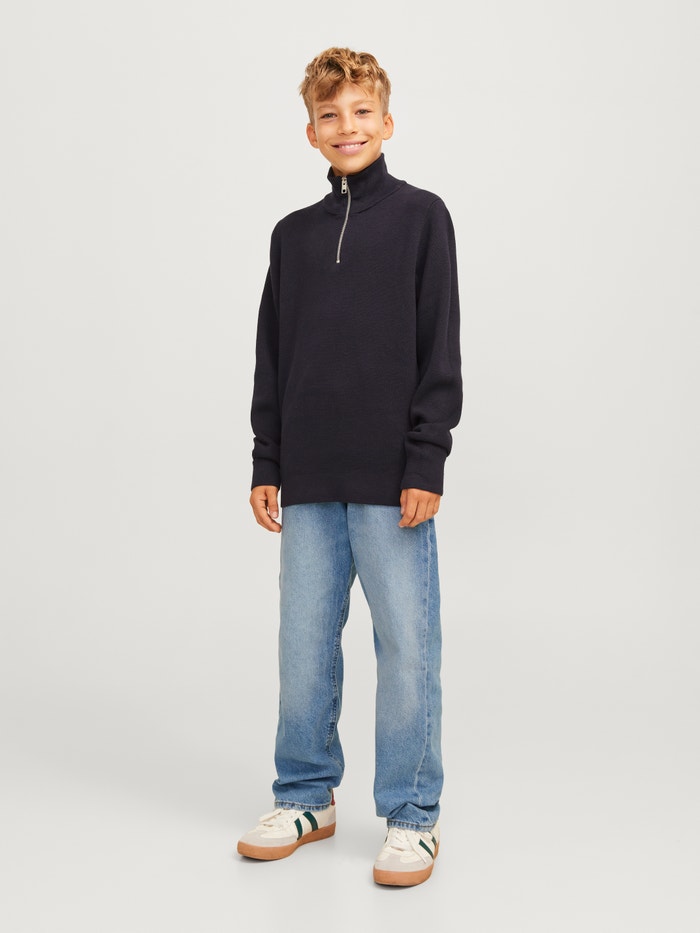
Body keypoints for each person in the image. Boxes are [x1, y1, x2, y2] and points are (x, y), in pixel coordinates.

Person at [237, 47, 462, 887]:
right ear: (310, 132)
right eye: (330, 115)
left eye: (362, 112)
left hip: (392, 479)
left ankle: (412, 813)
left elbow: (440, 345)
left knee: (406, 646)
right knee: (303, 643)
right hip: (308, 476)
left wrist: (426, 457)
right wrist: (268, 458)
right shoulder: (291, 236)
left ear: (387, 122)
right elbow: (273, 353)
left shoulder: (422, 218)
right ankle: (306, 796)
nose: (347, 127)